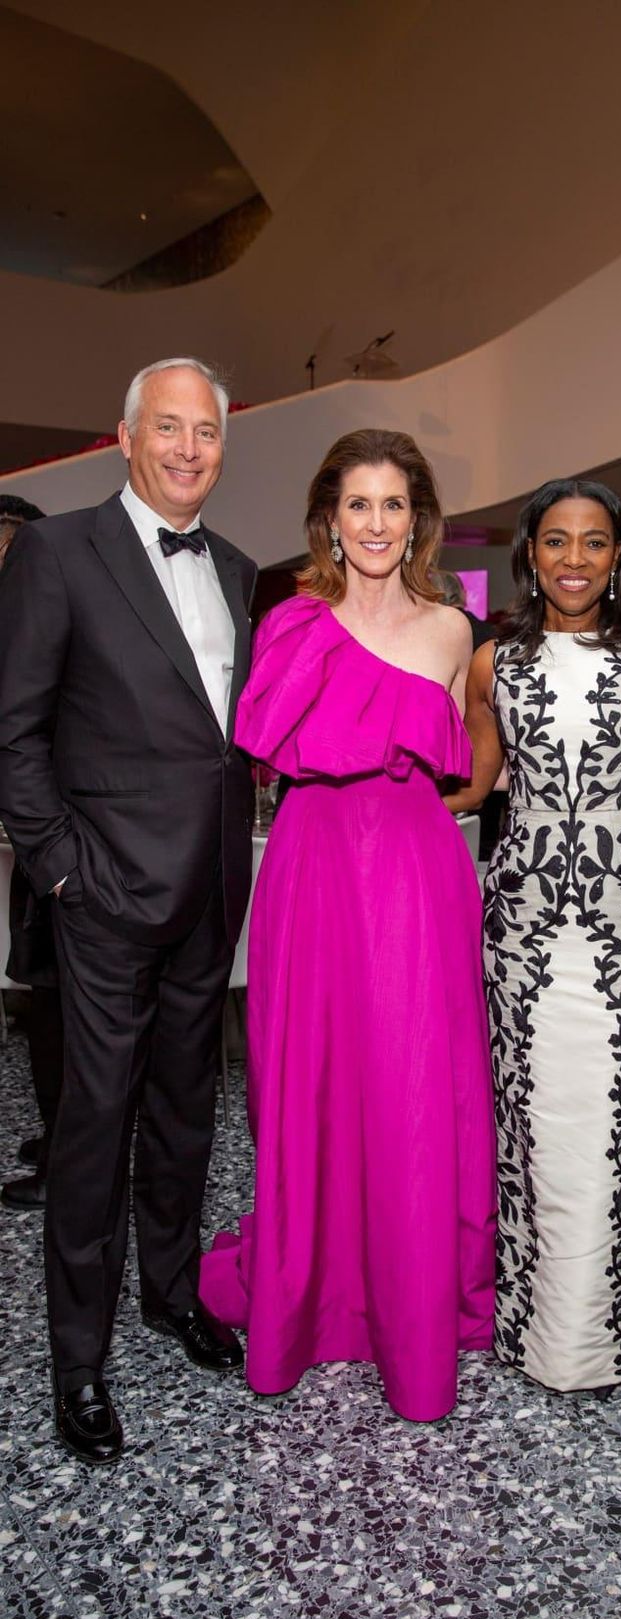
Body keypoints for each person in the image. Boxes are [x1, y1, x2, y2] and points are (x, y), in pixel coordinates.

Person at [200, 428, 496, 1422]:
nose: (375, 523)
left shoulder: (451, 631)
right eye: (357, 504)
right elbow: (265, 753)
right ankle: (309, 1299)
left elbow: (462, 770)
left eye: (393, 505)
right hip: (313, 871)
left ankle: (411, 1309)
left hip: (415, 874)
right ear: (329, 519)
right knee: (311, 1076)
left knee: (413, 1082)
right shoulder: (290, 623)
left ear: (418, 521)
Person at [0, 358, 256, 1465]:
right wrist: (62, 870)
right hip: (103, 896)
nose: (189, 448)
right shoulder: (59, 552)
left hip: (210, 893)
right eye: (169, 427)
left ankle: (172, 1293)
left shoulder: (238, 569)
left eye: (206, 431)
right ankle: (79, 1359)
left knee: (189, 1110)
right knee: (95, 1128)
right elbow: (13, 731)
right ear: (125, 436)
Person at [447, 479, 621, 1393]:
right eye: (557, 540)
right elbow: (472, 785)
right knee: (535, 1121)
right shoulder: (493, 663)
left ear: (618, 553)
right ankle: (539, 1329)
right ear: (530, 553)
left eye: (595, 541)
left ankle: (611, 1336)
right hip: (524, 921)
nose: (575, 559)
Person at [0, 496, 66, 1213]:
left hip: (56, 847)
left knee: (55, 1012)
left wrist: (57, 859)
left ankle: (64, 1161)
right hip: (36, 847)